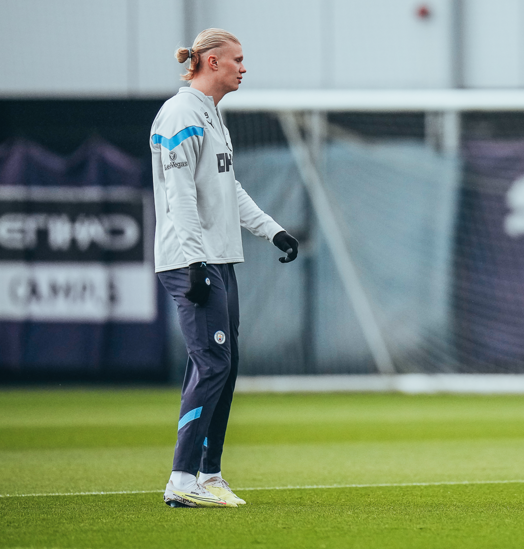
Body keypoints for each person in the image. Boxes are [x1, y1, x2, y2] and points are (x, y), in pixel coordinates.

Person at [151, 28, 300, 508]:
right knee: (211, 362)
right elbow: (179, 197)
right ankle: (181, 479)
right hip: (191, 259)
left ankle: (209, 476)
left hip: (218, 257)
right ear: (210, 62)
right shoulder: (179, 114)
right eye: (237, 59)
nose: (243, 67)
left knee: (225, 365)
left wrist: (272, 230)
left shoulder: (213, 115)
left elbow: (227, 189)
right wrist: (194, 260)